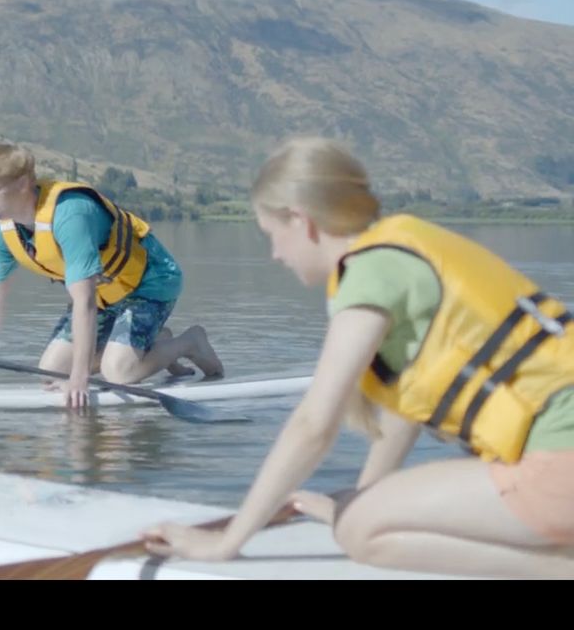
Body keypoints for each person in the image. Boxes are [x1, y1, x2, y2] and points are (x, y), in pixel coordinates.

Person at [143, 137, 574, 578]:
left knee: (359, 534)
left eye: (272, 236)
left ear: (302, 221)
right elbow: (403, 416)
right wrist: (366, 499)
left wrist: (228, 541)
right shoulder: (405, 245)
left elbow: (314, 425)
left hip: (559, 463)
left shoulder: (368, 274)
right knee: (359, 514)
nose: (274, 255)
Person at [0, 143, 222, 405]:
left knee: (118, 372)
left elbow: (84, 300)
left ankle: (189, 342)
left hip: (148, 283)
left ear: (23, 183)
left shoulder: (70, 215)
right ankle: (153, 342)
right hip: (104, 294)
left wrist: (79, 378)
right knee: (50, 374)